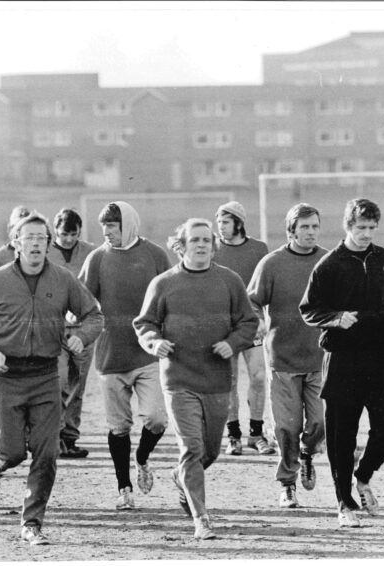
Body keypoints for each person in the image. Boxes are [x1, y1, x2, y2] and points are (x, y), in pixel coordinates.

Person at [0, 212, 103, 545]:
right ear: (15, 242)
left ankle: (32, 521)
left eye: (42, 238)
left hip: (45, 374)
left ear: (48, 243)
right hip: (6, 374)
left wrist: (81, 337)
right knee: (12, 452)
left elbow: (93, 316)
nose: (37, 244)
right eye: (30, 238)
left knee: (47, 451)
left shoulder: (63, 279)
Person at [134, 218, 258, 539]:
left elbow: (249, 322)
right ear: (181, 246)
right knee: (191, 448)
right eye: (195, 240)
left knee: (209, 452)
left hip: (217, 380)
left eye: (207, 240)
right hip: (178, 379)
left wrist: (231, 344)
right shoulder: (163, 284)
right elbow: (144, 323)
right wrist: (154, 341)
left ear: (214, 246)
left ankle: (180, 477)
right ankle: (201, 519)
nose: (201, 245)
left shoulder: (229, 282)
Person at [300, 198, 384, 528]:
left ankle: (363, 477)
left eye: (372, 228)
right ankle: (343, 502)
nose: (366, 234)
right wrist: (335, 318)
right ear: (347, 226)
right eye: (360, 227)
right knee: (341, 437)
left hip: (378, 355)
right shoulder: (329, 265)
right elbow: (309, 310)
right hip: (343, 359)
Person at [79, 201, 170, 510]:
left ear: (128, 226)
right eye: (103, 228)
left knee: (157, 419)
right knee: (119, 427)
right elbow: (81, 299)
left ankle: (142, 457)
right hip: (110, 355)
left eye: (113, 228)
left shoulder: (155, 255)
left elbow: (171, 297)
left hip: (148, 354)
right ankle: (124, 489)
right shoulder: (97, 259)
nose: (107, 234)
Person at [247, 203, 328, 509]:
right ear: (291, 230)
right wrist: (257, 321)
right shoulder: (272, 263)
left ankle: (307, 453)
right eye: (304, 227)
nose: (310, 232)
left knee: (320, 423)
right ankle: (287, 483)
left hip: (320, 358)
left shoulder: (328, 260)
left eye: (314, 226)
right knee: (286, 427)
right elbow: (252, 301)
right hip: (282, 360)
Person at [212, 201, 274, 456]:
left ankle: (257, 434)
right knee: (229, 380)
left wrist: (263, 319)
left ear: (238, 222)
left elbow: (266, 288)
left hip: (251, 324)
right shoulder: (213, 248)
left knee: (259, 377)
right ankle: (233, 436)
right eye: (218, 223)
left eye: (225, 222)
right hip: (221, 326)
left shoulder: (259, 249)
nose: (220, 227)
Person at [47, 208, 98, 458]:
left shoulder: (91, 252)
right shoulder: (45, 252)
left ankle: (70, 437)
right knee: (58, 382)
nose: (68, 239)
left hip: (83, 328)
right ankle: (53, 437)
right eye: (64, 234)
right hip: (54, 328)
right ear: (56, 230)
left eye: (73, 234)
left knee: (78, 385)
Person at [0, 205, 30, 277]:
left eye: (25, 227)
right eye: (17, 227)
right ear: (10, 228)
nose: (21, 232)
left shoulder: (37, 256)